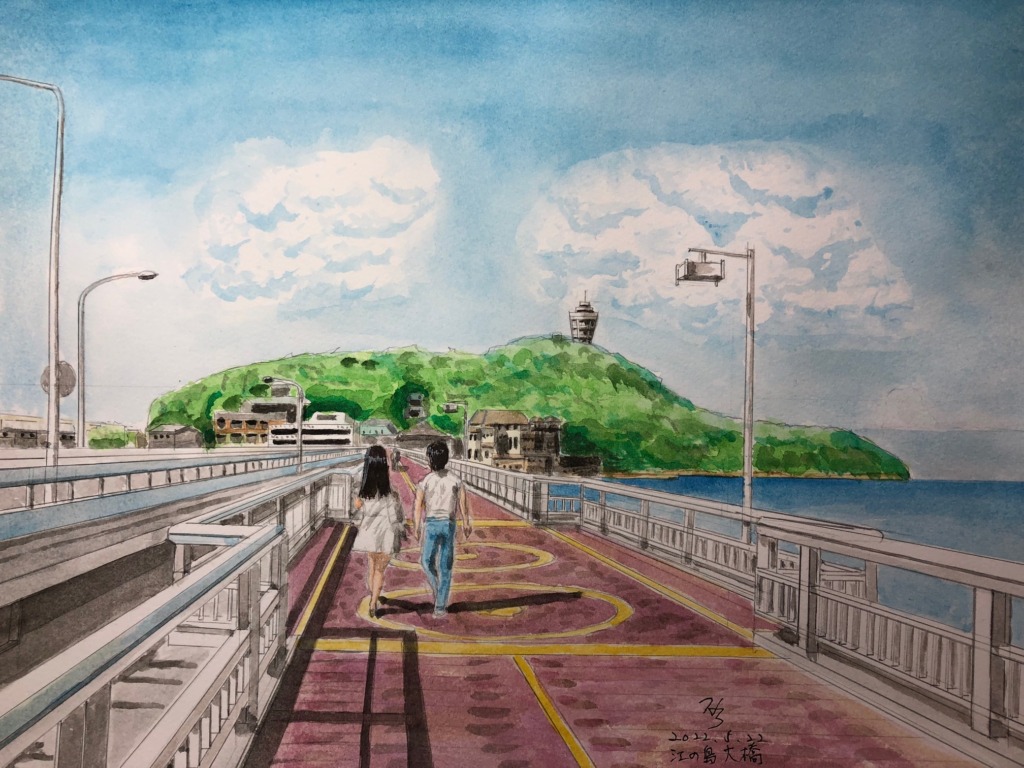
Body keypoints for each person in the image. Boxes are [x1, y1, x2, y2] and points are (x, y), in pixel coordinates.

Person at [413, 440, 472, 618]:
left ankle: (439, 596)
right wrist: (466, 522)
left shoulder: (425, 481)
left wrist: (417, 526)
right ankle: (440, 604)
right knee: (446, 566)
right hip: (448, 524)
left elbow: (418, 506)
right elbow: (463, 505)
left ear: (430, 460)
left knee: (426, 562)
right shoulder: (456, 480)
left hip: (431, 524)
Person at [351, 445, 406, 618]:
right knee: (380, 571)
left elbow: (357, 508)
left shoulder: (363, 492)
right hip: (386, 534)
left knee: (372, 567)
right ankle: (374, 601)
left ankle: (373, 595)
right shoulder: (391, 493)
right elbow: (396, 517)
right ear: (384, 465)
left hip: (369, 533)